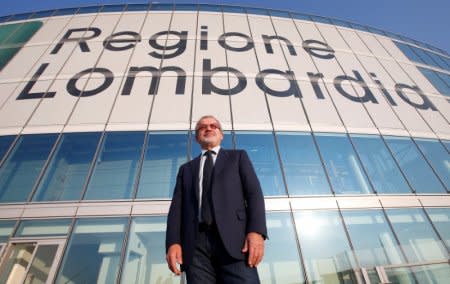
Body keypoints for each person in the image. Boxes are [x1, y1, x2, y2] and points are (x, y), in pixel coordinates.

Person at [166, 115, 267, 283]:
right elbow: (176, 210)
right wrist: (173, 242)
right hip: (195, 247)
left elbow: (254, 194)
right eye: (203, 127)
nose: (209, 128)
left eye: (214, 125)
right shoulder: (186, 170)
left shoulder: (238, 157)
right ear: (197, 137)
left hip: (235, 242)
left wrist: (256, 232)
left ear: (221, 135)